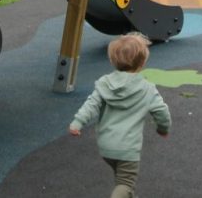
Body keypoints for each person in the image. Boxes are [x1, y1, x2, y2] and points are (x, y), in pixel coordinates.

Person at [68, 33, 171, 198]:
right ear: (143, 62)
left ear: (112, 61)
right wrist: (163, 128)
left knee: (121, 180)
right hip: (128, 149)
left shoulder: (104, 84)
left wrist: (77, 122)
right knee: (126, 183)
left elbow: (91, 104)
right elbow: (161, 111)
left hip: (106, 146)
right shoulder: (147, 89)